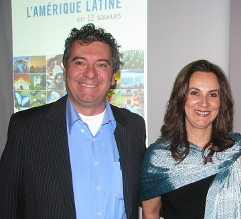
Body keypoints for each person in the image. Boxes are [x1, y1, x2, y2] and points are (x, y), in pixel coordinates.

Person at [0, 23, 146, 219]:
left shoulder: (133, 127)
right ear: (65, 69)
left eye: (102, 64)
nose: (90, 73)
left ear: (113, 76)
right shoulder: (26, 127)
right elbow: (7, 205)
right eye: (80, 62)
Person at [141, 60, 241, 219]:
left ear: (221, 103)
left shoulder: (239, 153)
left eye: (213, 95)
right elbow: (150, 212)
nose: (204, 103)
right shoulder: (157, 158)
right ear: (181, 99)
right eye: (195, 93)